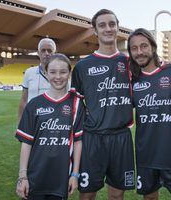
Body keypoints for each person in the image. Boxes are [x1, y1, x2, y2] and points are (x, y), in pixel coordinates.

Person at [71, 9, 135, 200]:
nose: (108, 28)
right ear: (95, 31)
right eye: (102, 25)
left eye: (112, 24)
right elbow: (76, 107)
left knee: (116, 196)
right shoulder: (83, 67)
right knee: (87, 195)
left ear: (117, 28)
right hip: (93, 139)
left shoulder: (131, 63)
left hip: (121, 138)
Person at [15, 53, 85, 200]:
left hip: (61, 177)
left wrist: (75, 174)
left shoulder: (77, 104)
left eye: (63, 72)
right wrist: (22, 177)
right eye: (52, 72)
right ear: (46, 73)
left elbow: (78, 142)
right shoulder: (34, 104)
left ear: (69, 73)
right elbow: (26, 144)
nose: (58, 77)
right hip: (35, 175)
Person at [128, 28, 171, 200]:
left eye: (144, 46)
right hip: (146, 154)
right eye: (134, 48)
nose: (139, 52)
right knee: (150, 197)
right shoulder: (132, 81)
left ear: (153, 47)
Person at [18, 38, 56, 120]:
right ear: (38, 53)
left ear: (54, 53)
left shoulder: (61, 75)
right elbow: (24, 100)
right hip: (32, 120)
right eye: (43, 50)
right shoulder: (29, 72)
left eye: (49, 50)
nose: (46, 53)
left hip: (53, 122)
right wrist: (20, 124)